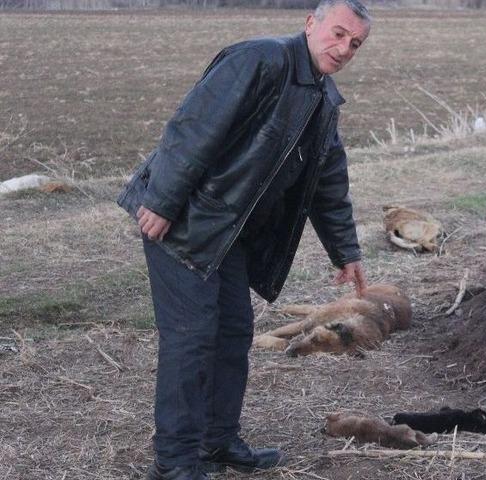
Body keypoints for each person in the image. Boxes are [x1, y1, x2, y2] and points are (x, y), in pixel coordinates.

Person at [117, 1, 371, 478]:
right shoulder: (260, 60)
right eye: (338, 34)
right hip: (184, 223)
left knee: (232, 335)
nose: (344, 49)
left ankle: (217, 443)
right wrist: (163, 200)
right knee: (190, 342)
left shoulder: (323, 99)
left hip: (229, 235)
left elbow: (328, 182)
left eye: (354, 43)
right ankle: (174, 463)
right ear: (311, 24)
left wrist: (346, 252)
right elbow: (193, 126)